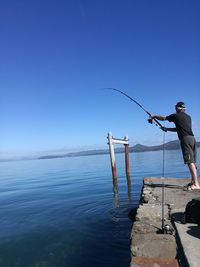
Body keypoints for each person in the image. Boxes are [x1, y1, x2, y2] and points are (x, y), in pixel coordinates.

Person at [150, 101, 200, 190]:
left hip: (185, 140)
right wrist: (166, 129)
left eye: (175, 108)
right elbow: (179, 129)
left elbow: (163, 118)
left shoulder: (175, 115)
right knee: (193, 161)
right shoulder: (188, 117)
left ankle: (196, 184)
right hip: (192, 139)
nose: (175, 109)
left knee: (190, 162)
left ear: (177, 108)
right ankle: (193, 182)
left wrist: (154, 116)